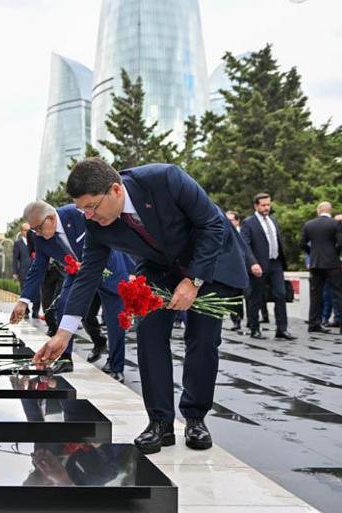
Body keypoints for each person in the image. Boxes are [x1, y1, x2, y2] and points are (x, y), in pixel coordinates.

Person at [33, 158, 248, 454]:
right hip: (159, 267)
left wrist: (194, 280)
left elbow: (212, 224)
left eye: (92, 206)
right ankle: (160, 422)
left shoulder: (165, 179)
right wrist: (63, 334)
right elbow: (88, 273)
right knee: (148, 334)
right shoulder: (94, 221)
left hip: (207, 257)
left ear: (116, 190)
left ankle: (196, 418)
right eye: (83, 209)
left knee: (203, 339)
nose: (88, 216)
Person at [10, 200, 131, 381]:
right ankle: (65, 357)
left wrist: (132, 271)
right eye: (34, 231)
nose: (37, 234)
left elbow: (112, 232)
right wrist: (23, 300)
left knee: (115, 319)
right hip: (77, 273)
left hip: (108, 269)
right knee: (64, 305)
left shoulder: (79, 214)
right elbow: (38, 268)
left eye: (39, 229)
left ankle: (116, 365)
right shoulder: (40, 237)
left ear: (50, 218)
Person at [241, 193, 295, 340]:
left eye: (268, 205)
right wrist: (252, 263)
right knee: (256, 298)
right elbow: (245, 245)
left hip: (275, 263)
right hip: (258, 265)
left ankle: (282, 329)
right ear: (256, 206)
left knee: (281, 294)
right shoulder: (248, 223)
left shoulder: (273, 220)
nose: (266, 208)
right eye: (263, 205)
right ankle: (254, 329)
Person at [300, 201, 342, 334]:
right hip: (332, 263)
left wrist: (312, 253)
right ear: (330, 211)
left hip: (315, 263)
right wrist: (334, 254)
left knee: (315, 294)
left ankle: (313, 323)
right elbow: (341, 242)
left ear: (318, 210)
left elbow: (302, 243)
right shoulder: (335, 224)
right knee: (338, 293)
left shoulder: (309, 224)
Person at [225, 210, 245, 332]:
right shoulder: (223, 234)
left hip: (245, 271)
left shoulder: (244, 234)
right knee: (234, 297)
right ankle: (236, 320)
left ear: (237, 221)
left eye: (231, 220)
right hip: (231, 272)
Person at [12, 223, 35, 317]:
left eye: (29, 230)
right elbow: (14, 259)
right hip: (23, 271)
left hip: (35, 269)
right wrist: (14, 272)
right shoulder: (18, 243)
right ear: (21, 232)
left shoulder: (35, 241)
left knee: (37, 291)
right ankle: (26, 310)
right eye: (25, 230)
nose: (28, 232)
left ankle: (36, 311)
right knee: (24, 291)